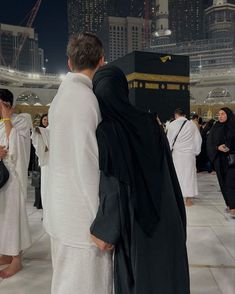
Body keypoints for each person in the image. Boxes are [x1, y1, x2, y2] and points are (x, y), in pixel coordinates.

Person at [90, 65, 190, 294]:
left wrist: (105, 230)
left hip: (138, 226)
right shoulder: (150, 122)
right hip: (168, 215)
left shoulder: (107, 131)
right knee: (169, 277)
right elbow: (169, 172)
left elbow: (113, 185)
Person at [43, 33, 113, 294]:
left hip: (61, 211)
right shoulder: (85, 100)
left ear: (69, 63)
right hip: (81, 221)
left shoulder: (61, 98)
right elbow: (86, 163)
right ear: (102, 62)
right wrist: (102, 222)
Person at [0, 89, 32, 278]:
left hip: (12, 178)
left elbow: (18, 147)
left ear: (5, 104)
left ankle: (16, 259)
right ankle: (5, 253)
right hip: (0, 177)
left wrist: (6, 118)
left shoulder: (21, 119)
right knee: (2, 218)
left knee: (13, 218)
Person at [167, 108, 202, 206]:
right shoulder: (192, 125)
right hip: (189, 155)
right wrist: (196, 152)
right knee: (189, 176)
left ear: (175, 115)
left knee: (177, 175)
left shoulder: (172, 125)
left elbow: (169, 141)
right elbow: (198, 140)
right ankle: (189, 199)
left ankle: (177, 197)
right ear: (185, 115)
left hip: (177, 155)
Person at [207, 108, 235, 219]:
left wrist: (230, 147)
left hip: (232, 160)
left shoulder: (233, 126)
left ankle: (233, 208)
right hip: (219, 160)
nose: (220, 116)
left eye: (223, 114)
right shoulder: (216, 127)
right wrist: (217, 147)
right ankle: (229, 204)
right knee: (223, 183)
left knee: (230, 183)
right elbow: (210, 142)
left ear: (228, 115)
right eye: (219, 114)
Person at [32, 114, 49, 209]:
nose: (46, 121)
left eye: (47, 120)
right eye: (44, 119)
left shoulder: (49, 131)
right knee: (38, 182)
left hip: (46, 160)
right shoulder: (39, 131)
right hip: (38, 160)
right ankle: (38, 202)